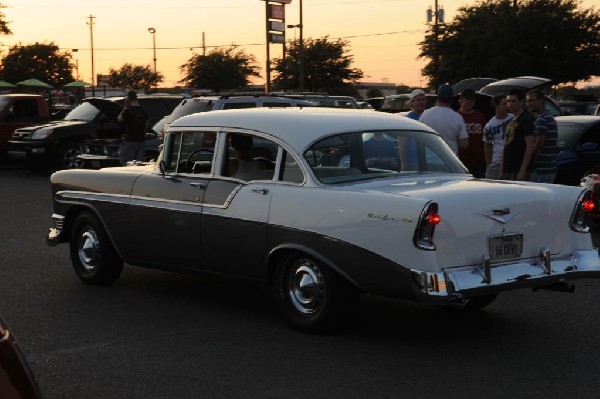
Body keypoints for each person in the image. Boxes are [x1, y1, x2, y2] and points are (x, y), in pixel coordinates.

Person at [418, 84, 468, 156]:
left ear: (438, 97)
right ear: (452, 99)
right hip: (449, 160)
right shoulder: (457, 117)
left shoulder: (424, 114)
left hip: (428, 159)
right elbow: (464, 144)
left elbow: (419, 138)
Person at [501, 89, 534, 180]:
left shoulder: (525, 119)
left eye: (513, 101)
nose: (510, 104)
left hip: (518, 167)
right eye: (508, 101)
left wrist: (523, 169)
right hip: (508, 167)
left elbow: (530, 145)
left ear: (521, 102)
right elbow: (506, 145)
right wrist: (502, 168)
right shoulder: (510, 121)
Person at [526, 88, 558, 183]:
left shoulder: (542, 119)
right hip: (549, 168)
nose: (529, 104)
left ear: (541, 100)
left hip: (541, 170)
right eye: (527, 101)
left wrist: (531, 162)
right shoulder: (548, 116)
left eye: (532, 100)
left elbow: (539, 143)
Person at [457, 88, 487, 177]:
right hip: (462, 161)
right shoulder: (456, 117)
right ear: (461, 100)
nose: (470, 102)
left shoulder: (479, 116)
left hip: (478, 161)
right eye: (467, 99)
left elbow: (485, 138)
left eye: (472, 99)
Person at [483, 95, 512, 179]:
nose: (507, 106)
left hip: (511, 161)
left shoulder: (513, 118)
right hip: (497, 162)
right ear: (496, 106)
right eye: (504, 104)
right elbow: (487, 146)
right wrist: (489, 165)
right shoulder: (490, 126)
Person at [117, 90, 149, 165]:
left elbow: (119, 119)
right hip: (141, 140)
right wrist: (143, 136)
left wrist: (125, 107)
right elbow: (146, 125)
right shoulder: (143, 111)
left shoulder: (127, 111)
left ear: (128, 99)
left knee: (126, 161)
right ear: (136, 98)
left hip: (130, 139)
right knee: (139, 162)